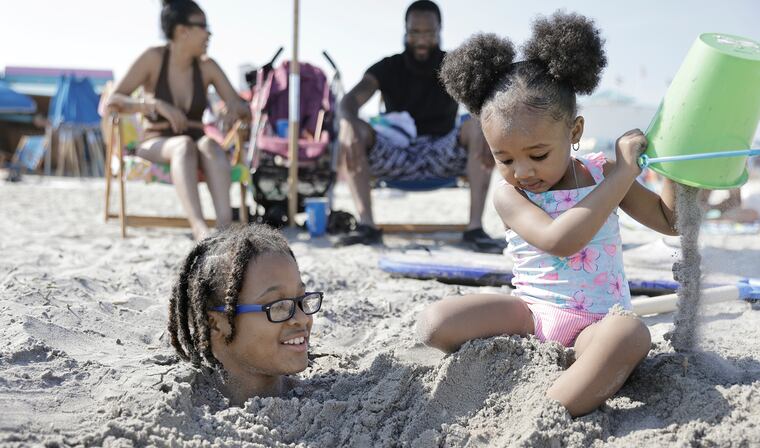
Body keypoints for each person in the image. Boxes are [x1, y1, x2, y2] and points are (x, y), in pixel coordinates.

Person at [417, 12, 680, 417]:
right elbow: (561, 240)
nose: (522, 171)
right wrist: (626, 173)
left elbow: (669, 220)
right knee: (435, 322)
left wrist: (673, 172)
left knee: (629, 333)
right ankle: (569, 383)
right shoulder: (509, 196)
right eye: (503, 157)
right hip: (531, 315)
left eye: (538, 155)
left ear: (574, 132)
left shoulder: (601, 174)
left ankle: (548, 410)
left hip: (596, 325)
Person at [335, 0, 502, 250]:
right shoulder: (387, 67)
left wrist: (488, 127)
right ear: (405, 30)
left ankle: (475, 229)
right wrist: (347, 122)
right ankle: (366, 225)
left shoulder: (454, 66)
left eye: (429, 33)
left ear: (439, 30)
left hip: (443, 154)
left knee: (477, 124)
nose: (421, 40)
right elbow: (350, 100)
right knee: (354, 128)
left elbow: (486, 100)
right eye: (415, 32)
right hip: (395, 153)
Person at [107, 0, 250, 241]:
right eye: (204, 26)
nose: (209, 34)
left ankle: (225, 230)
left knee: (210, 146)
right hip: (156, 142)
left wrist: (233, 109)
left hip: (196, 140)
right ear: (182, 30)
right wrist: (152, 104)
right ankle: (199, 228)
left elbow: (243, 108)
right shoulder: (153, 59)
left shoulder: (207, 67)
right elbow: (113, 101)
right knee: (183, 146)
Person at [168, 224, 324, 405]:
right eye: (278, 306)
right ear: (215, 323)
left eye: (301, 299)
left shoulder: (330, 400)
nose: (303, 318)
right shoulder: (182, 412)